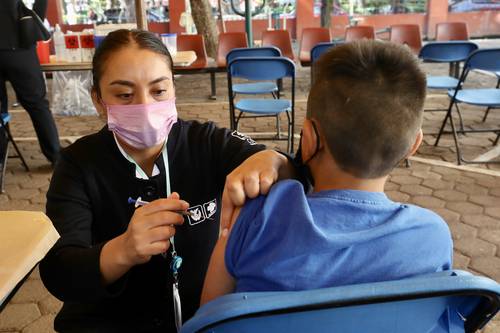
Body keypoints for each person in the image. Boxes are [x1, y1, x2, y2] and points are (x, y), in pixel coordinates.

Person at [39, 29, 293, 333]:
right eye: (124, 95)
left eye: (158, 91)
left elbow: (289, 169)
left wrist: (274, 159)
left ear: (173, 89)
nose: (144, 106)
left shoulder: (207, 142)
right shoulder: (78, 163)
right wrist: (124, 249)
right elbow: (59, 272)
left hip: (200, 320)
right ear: (98, 100)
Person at [200, 40, 453, 304]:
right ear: (413, 145)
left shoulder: (256, 218)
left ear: (308, 138)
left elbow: (209, 319)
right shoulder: (432, 236)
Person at [0, 0, 61, 164]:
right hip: (18, 45)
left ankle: (1, 156)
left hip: (15, 44)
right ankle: (55, 156)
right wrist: (34, 22)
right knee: (37, 104)